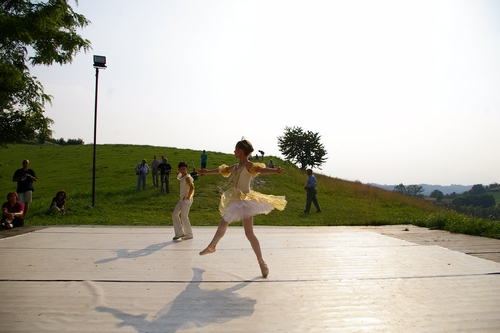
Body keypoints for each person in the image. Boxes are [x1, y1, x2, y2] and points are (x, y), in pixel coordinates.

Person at [198, 138, 287, 278]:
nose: (234, 151)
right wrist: (206, 171)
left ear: (241, 151)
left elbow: (261, 170)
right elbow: (222, 170)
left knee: (249, 234)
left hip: (245, 200)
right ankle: (212, 246)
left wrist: (275, 170)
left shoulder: (248, 165)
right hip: (237, 200)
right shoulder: (236, 166)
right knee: (224, 223)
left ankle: (261, 262)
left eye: (236, 149)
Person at [172, 161, 195, 240]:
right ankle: (179, 232)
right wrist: (178, 174)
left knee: (184, 217)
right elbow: (180, 177)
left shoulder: (188, 178)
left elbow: (192, 187)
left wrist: (188, 197)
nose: (182, 170)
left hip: (186, 200)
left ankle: (189, 234)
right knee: (174, 214)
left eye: (184, 169)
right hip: (182, 200)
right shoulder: (182, 176)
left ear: (187, 169)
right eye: (180, 169)